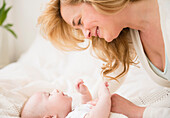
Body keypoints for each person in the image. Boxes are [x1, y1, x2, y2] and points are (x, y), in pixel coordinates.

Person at [38, 0, 170, 117]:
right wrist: (84, 107)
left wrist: (137, 112)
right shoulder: (132, 35)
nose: (87, 35)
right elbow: (111, 79)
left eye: (79, 21)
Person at [20, 80, 111, 118]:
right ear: (51, 117)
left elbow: (86, 108)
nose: (55, 90)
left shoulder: (74, 113)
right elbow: (96, 116)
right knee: (115, 100)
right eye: (50, 95)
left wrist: (84, 94)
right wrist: (104, 96)